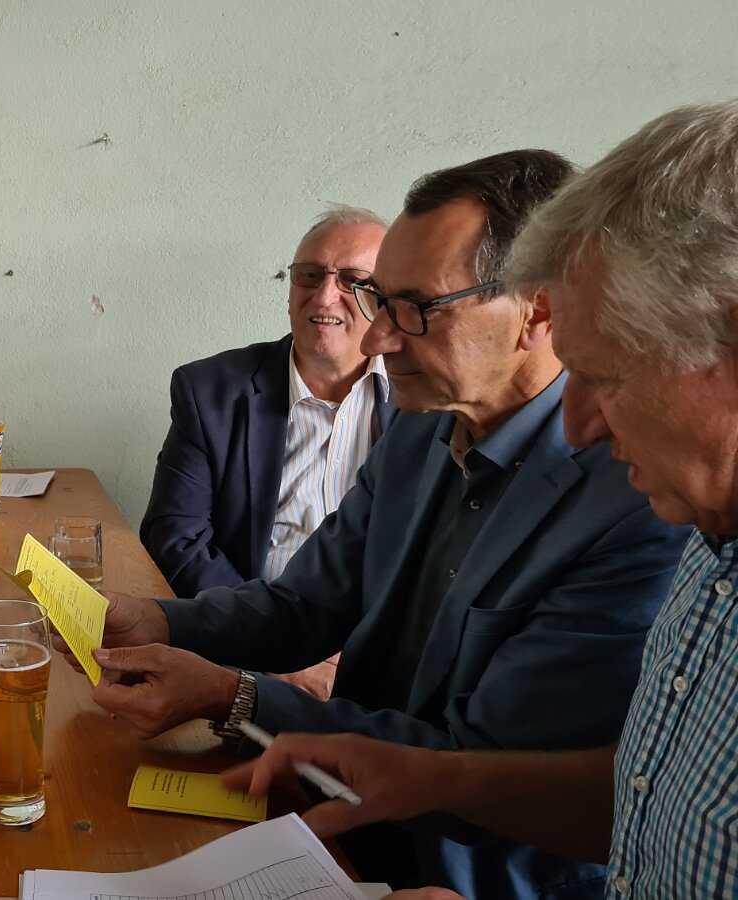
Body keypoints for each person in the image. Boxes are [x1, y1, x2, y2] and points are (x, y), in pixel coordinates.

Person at [73, 151, 691, 899]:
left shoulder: (639, 502)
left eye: (416, 309)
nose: (375, 341)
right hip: (337, 822)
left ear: (538, 310)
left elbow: (478, 766)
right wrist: (162, 622)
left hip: (460, 876)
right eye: (380, 301)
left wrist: (235, 696)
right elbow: (307, 603)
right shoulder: (422, 426)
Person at [221, 97, 738, 900]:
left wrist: (242, 696)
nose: (579, 424)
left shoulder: (655, 512)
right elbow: (643, 802)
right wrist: (430, 777)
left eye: (607, 375)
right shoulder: (712, 555)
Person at [140, 205, 393, 698]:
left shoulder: (428, 403)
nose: (325, 295)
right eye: (310, 275)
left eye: (353, 281)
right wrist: (273, 650)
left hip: (377, 667)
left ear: (388, 300)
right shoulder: (210, 390)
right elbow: (176, 537)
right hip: (245, 658)